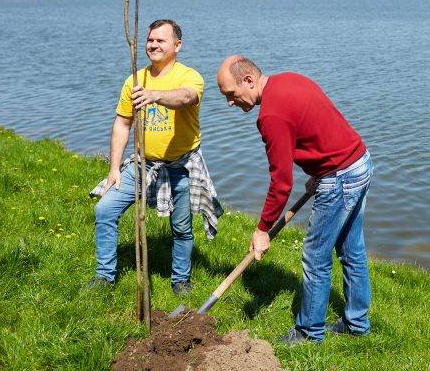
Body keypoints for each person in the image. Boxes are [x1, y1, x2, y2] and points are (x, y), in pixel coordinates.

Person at [216, 55, 373, 344]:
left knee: (316, 257)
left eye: (231, 94)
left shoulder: (270, 116)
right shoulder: (289, 79)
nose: (229, 102)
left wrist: (262, 229)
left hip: (341, 176)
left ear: (248, 80)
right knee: (352, 250)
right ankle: (356, 323)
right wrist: (320, 169)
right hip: (359, 161)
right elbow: (321, 126)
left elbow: (281, 183)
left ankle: (308, 332)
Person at [88, 19, 221, 296]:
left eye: (161, 40)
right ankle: (104, 276)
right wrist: (114, 169)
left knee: (182, 227)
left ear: (177, 45)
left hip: (182, 165)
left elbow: (186, 97)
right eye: (150, 40)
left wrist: (154, 95)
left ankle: (180, 280)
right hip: (142, 164)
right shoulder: (135, 80)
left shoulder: (190, 76)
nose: (153, 44)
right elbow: (122, 124)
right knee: (105, 210)